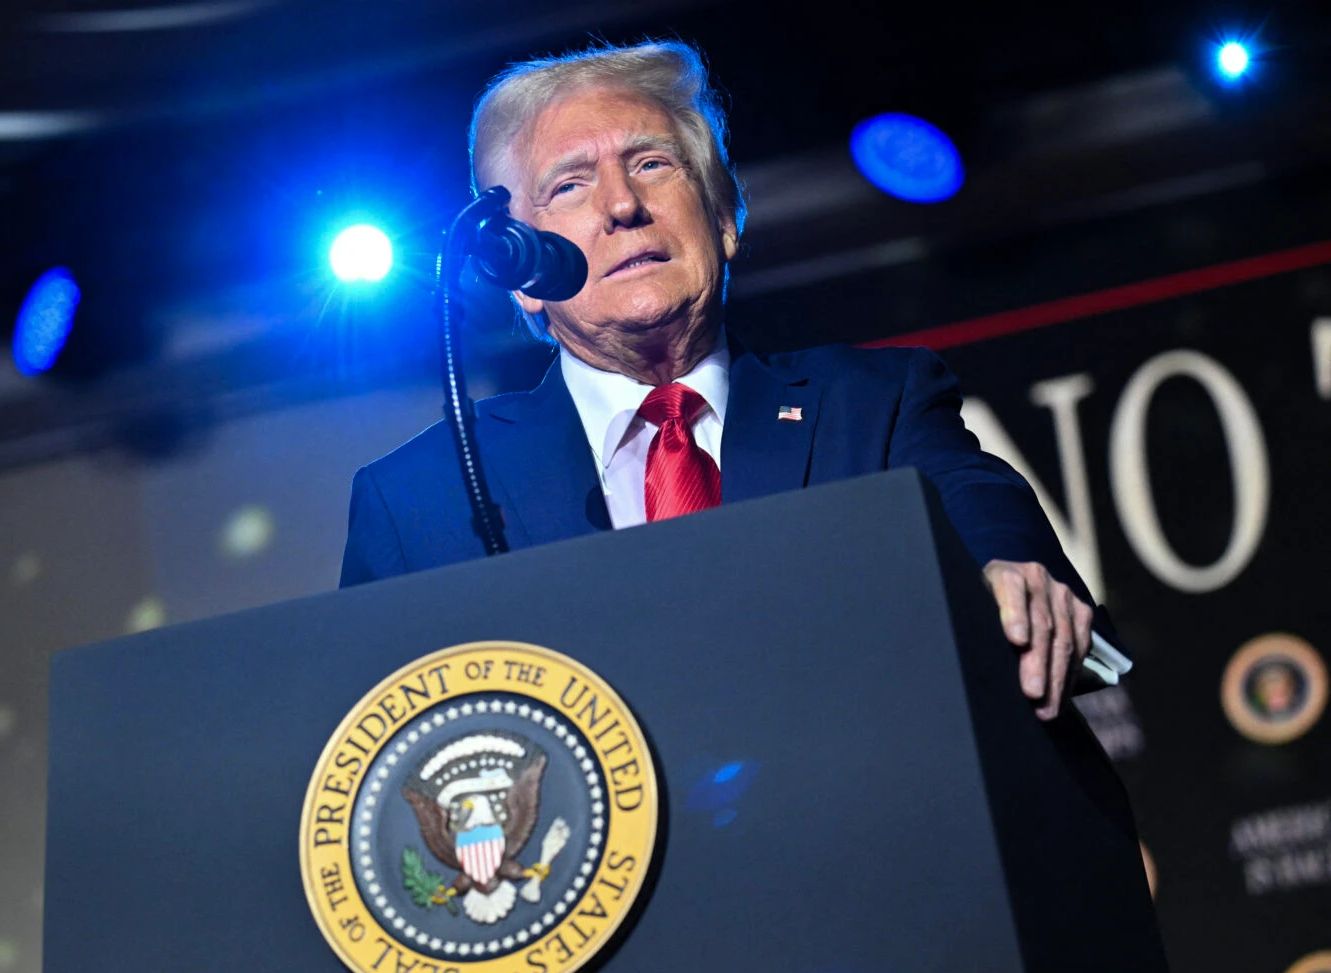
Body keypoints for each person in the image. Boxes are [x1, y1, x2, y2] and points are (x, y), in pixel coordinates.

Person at [340, 40, 1117, 721]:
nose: (622, 204)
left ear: (723, 219)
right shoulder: (421, 501)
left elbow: (990, 523)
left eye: (651, 164)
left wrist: (1012, 576)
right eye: (570, 185)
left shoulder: (874, 404)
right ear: (521, 273)